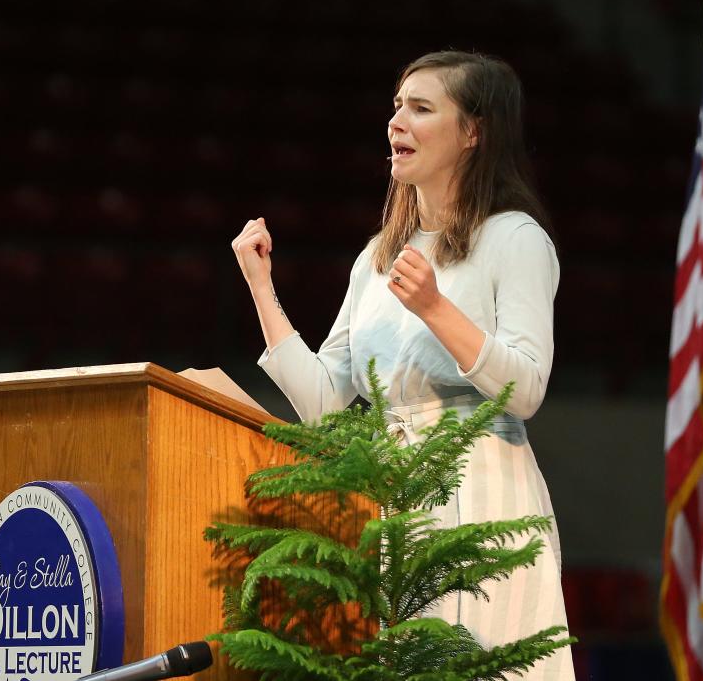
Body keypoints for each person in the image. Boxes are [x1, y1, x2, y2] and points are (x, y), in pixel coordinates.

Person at [231, 50, 574, 680]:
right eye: (396, 107)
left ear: (474, 132)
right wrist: (261, 287)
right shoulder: (376, 258)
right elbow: (328, 401)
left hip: (481, 489)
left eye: (421, 108)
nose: (398, 122)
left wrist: (436, 307)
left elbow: (524, 390)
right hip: (391, 502)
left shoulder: (515, 238)